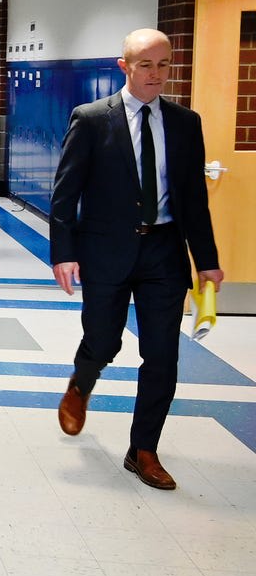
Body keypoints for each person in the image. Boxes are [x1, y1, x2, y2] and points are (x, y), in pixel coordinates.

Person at [51, 28, 224, 490]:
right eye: (145, 64)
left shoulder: (186, 122)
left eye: (164, 64)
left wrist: (206, 259)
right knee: (104, 341)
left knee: (162, 355)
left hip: (164, 252)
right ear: (123, 66)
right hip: (106, 250)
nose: (156, 74)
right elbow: (65, 193)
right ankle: (82, 382)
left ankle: (143, 449)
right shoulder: (91, 119)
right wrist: (64, 252)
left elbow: (193, 199)